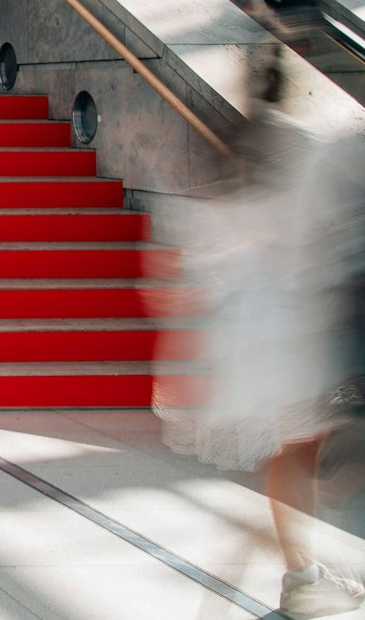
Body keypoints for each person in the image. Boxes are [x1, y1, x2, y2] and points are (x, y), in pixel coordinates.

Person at [156, 51, 365, 618]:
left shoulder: (230, 147)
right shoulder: (305, 147)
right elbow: (311, 237)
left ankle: (301, 570)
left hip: (256, 329)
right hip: (297, 323)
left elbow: (204, 245)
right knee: (304, 448)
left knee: (294, 449)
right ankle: (302, 573)